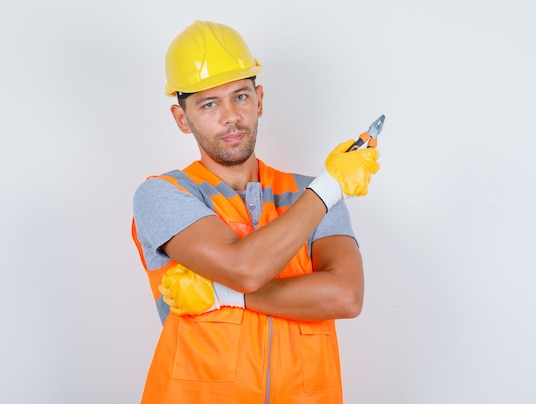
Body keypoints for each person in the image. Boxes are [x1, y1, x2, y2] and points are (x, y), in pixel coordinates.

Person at [131, 20, 380, 403]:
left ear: (260, 99)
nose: (231, 116)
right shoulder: (164, 194)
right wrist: (329, 188)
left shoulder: (304, 192)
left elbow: (345, 296)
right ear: (183, 119)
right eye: (209, 103)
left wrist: (220, 295)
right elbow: (244, 268)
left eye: (240, 97)